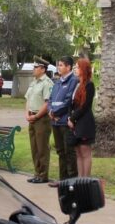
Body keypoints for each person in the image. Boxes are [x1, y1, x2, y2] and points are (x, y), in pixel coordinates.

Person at [48, 56, 78, 187]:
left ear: (68, 67)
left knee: (69, 152)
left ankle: (72, 181)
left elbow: (68, 101)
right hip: (55, 122)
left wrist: (56, 112)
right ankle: (63, 180)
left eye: (61, 65)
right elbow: (50, 100)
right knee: (60, 151)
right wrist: (50, 111)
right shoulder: (57, 82)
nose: (58, 67)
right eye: (58, 65)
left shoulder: (74, 81)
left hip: (66, 122)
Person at [25, 57, 54, 183]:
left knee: (42, 148)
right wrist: (27, 114)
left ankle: (43, 175)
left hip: (41, 119)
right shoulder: (34, 82)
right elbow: (28, 99)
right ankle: (37, 173)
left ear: (43, 69)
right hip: (32, 117)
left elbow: (47, 104)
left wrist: (36, 116)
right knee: (34, 147)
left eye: (36, 67)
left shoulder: (47, 83)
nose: (34, 69)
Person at [68, 58, 95, 177]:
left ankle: (86, 179)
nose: (75, 69)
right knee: (78, 152)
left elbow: (85, 106)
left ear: (83, 69)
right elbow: (72, 103)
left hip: (85, 123)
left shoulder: (89, 85)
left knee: (85, 151)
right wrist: (70, 118)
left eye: (78, 67)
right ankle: (80, 178)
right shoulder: (77, 84)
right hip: (76, 122)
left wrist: (72, 118)